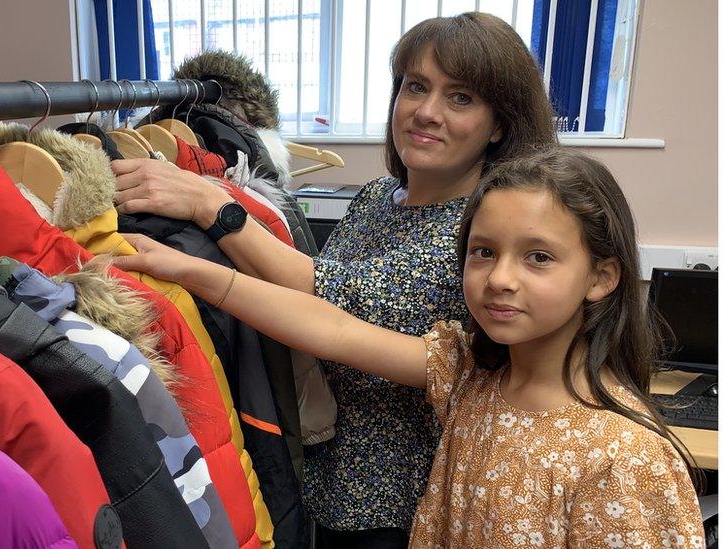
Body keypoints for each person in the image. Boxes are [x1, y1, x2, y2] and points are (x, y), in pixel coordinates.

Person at [111, 146, 706, 547]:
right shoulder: (470, 374)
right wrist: (194, 272)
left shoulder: (625, 461)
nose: (501, 278)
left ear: (601, 277)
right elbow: (331, 328)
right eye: (483, 251)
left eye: (539, 257)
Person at [112, 12, 557, 546]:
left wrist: (215, 208)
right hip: (321, 483)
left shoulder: (484, 230)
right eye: (416, 87)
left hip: (404, 511)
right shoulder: (374, 198)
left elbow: (334, 301)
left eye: (460, 98)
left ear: (500, 123)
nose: (426, 112)